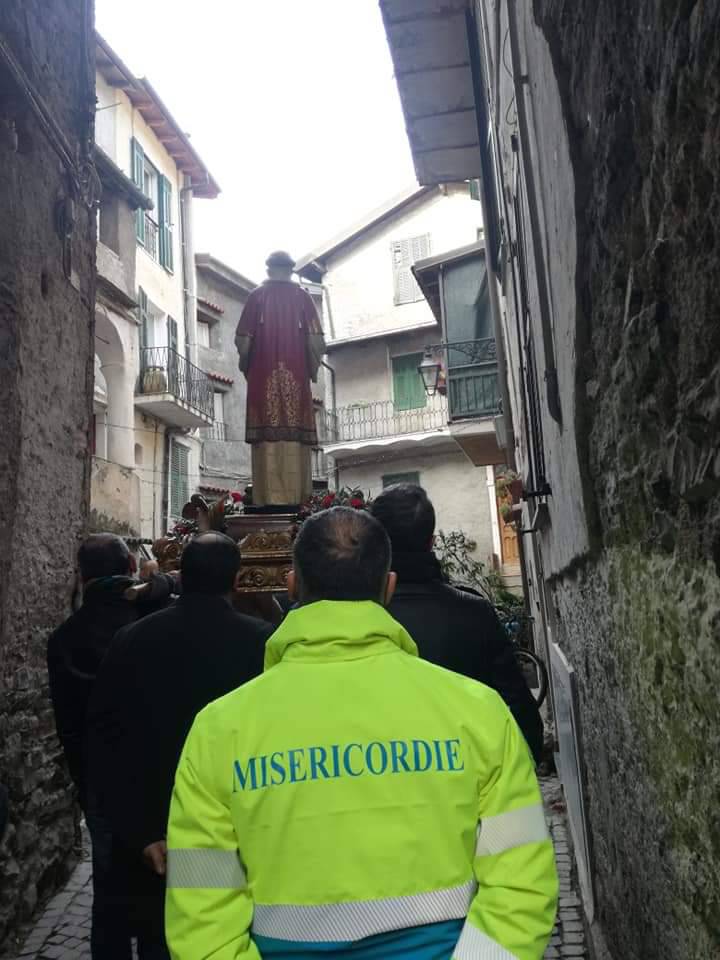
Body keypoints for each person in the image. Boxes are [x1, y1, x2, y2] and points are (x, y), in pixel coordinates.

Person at [166, 508, 558, 959]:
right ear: (387, 588)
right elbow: (522, 884)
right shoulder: (478, 711)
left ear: (292, 585)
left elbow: (202, 918)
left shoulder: (218, 728)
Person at [88, 533, 273, 959]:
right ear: (237, 580)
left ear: (181, 576)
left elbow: (104, 744)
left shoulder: (131, 640)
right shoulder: (260, 643)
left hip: (155, 840)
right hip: (235, 834)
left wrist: (141, 833)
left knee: (159, 938)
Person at [47, 533, 177, 960]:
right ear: (129, 571)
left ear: (81, 575)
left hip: (101, 786)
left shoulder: (65, 638)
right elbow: (174, 586)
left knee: (109, 901)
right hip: (157, 780)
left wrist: (85, 787)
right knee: (161, 895)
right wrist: (153, 584)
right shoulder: (149, 621)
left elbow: (69, 728)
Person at [371, 483, 545, 763]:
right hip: (470, 784)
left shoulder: (361, 619)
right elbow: (523, 725)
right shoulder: (475, 613)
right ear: (430, 541)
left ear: (374, 543)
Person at [234, 250, 326, 508]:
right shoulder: (303, 298)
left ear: (268, 269)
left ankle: (267, 502)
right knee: (296, 443)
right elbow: (317, 342)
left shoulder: (256, 298)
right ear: (291, 270)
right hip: (296, 381)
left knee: (266, 439)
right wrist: (309, 367)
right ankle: (298, 501)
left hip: (262, 383)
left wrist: (249, 366)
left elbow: (242, 341)